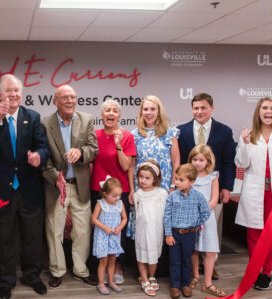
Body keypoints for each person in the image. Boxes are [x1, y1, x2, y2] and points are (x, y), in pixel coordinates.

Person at [0, 74, 50, 299]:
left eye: (16, 90)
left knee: (32, 238)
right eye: (8, 91)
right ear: (0, 95)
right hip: (0, 190)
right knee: (4, 238)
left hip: (29, 189)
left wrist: (39, 156)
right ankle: (6, 280)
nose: (13, 94)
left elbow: (43, 147)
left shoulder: (33, 117)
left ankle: (32, 276)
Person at [234, 97, 272, 291]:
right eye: (264, 108)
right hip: (255, 191)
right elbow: (242, 164)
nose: (268, 111)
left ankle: (266, 272)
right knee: (254, 234)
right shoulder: (250, 135)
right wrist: (245, 143)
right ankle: (254, 269)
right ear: (258, 112)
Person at [41, 85, 98, 288]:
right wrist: (56, 177)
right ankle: (57, 270)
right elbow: (43, 159)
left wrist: (81, 153)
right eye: (64, 97)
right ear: (55, 101)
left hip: (80, 185)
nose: (69, 101)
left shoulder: (86, 119)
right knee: (54, 230)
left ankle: (80, 270)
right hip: (57, 186)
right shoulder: (45, 124)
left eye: (73, 97)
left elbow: (93, 149)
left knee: (82, 231)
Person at [177, 93, 236, 280]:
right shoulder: (182, 131)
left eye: (203, 108)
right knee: (193, 231)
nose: (199, 111)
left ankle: (210, 264)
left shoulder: (224, 131)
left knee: (211, 228)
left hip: (213, 188)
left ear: (211, 108)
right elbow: (178, 162)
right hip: (189, 189)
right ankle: (194, 268)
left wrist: (226, 187)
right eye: (196, 108)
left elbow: (228, 162)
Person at [89, 98, 136, 285]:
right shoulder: (94, 134)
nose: (111, 114)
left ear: (119, 116)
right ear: (101, 115)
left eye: (114, 111)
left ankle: (117, 266)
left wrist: (118, 145)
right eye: (107, 110)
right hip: (98, 191)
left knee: (117, 231)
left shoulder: (126, 136)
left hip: (119, 193)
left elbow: (126, 166)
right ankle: (98, 266)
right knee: (99, 229)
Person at [128, 95, 179, 252]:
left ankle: (159, 266)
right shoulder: (135, 134)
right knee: (143, 223)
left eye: (152, 109)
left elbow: (176, 162)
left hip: (164, 187)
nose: (149, 112)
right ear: (141, 111)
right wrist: (131, 189)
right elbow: (131, 165)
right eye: (145, 109)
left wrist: (173, 185)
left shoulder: (170, 133)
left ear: (159, 111)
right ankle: (142, 265)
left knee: (160, 222)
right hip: (141, 187)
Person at [163, 164, 210, 299]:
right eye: (176, 179)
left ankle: (185, 284)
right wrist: (168, 234)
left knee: (186, 260)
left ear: (192, 181)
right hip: (175, 233)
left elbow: (206, 212)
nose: (177, 182)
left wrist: (197, 223)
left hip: (190, 234)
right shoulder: (172, 197)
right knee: (174, 260)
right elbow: (167, 216)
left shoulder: (198, 196)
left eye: (181, 180)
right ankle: (175, 285)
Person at [188, 145, 226, 297]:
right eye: (194, 159)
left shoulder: (213, 177)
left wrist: (202, 215)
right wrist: (195, 216)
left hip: (207, 217)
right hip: (191, 217)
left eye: (201, 160)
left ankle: (208, 282)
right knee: (194, 249)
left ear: (208, 161)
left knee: (210, 250)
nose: (197, 163)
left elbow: (214, 199)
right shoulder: (188, 176)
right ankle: (195, 275)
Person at [133, 160, 168, 297]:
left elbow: (165, 212)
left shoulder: (161, 193)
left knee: (154, 255)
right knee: (142, 255)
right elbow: (137, 213)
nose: (143, 180)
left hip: (156, 231)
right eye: (141, 177)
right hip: (142, 231)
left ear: (155, 178)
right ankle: (144, 279)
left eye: (147, 178)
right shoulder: (138, 195)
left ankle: (152, 276)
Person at [91, 178, 127, 295]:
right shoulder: (100, 204)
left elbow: (124, 218)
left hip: (114, 236)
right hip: (103, 236)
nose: (117, 198)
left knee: (112, 260)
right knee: (103, 261)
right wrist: (105, 228)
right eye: (114, 196)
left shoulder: (120, 204)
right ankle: (101, 283)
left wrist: (120, 227)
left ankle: (111, 281)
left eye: (119, 195)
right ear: (105, 194)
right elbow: (94, 219)